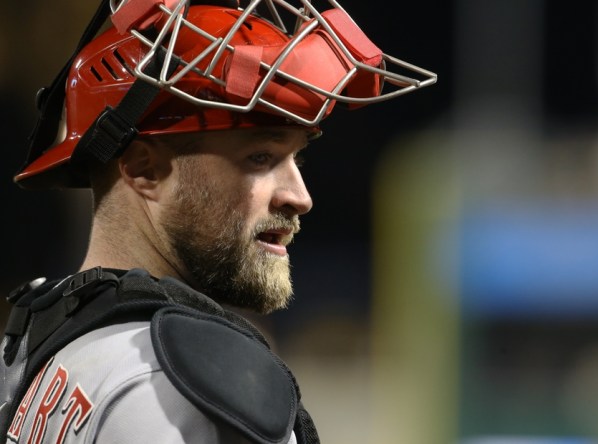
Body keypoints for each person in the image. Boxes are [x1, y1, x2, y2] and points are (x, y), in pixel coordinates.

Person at [0, 0, 436, 442]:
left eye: (296, 157)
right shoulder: (181, 389)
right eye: (260, 157)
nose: (300, 197)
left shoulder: (38, 343)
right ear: (143, 170)